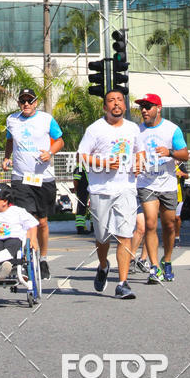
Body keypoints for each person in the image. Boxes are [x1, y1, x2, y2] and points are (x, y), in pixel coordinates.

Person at [77, 89, 143, 299]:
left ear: (124, 105)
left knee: (125, 235)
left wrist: (139, 163)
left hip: (126, 189)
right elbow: (81, 156)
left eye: (120, 100)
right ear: (105, 107)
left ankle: (122, 283)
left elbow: (139, 151)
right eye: (111, 101)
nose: (116, 103)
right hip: (101, 190)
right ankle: (103, 265)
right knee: (102, 237)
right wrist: (104, 163)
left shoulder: (133, 128)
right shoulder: (95, 129)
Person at [3, 88, 64, 280]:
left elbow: (60, 141)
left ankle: (43, 259)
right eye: (23, 101)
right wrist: (6, 157)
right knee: (26, 220)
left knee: (42, 222)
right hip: (20, 178)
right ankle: (25, 260)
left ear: (36, 102)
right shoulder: (12, 120)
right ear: (19, 103)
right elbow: (9, 140)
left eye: (30, 101)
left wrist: (50, 152)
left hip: (43, 178)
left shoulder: (46, 119)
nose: (26, 104)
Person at [135, 93, 189, 283]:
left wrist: (170, 152)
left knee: (169, 225)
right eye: (142, 107)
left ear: (159, 108)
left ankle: (167, 260)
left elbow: (185, 154)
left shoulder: (172, 129)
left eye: (148, 106)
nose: (144, 110)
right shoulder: (137, 131)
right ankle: (154, 267)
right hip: (146, 183)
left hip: (167, 183)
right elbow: (132, 154)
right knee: (150, 224)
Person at [174, 162, 189, 246]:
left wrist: (181, 174)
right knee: (168, 218)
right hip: (167, 194)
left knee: (176, 217)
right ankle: (169, 237)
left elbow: (187, 176)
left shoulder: (180, 165)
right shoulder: (164, 164)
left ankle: (177, 236)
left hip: (179, 195)